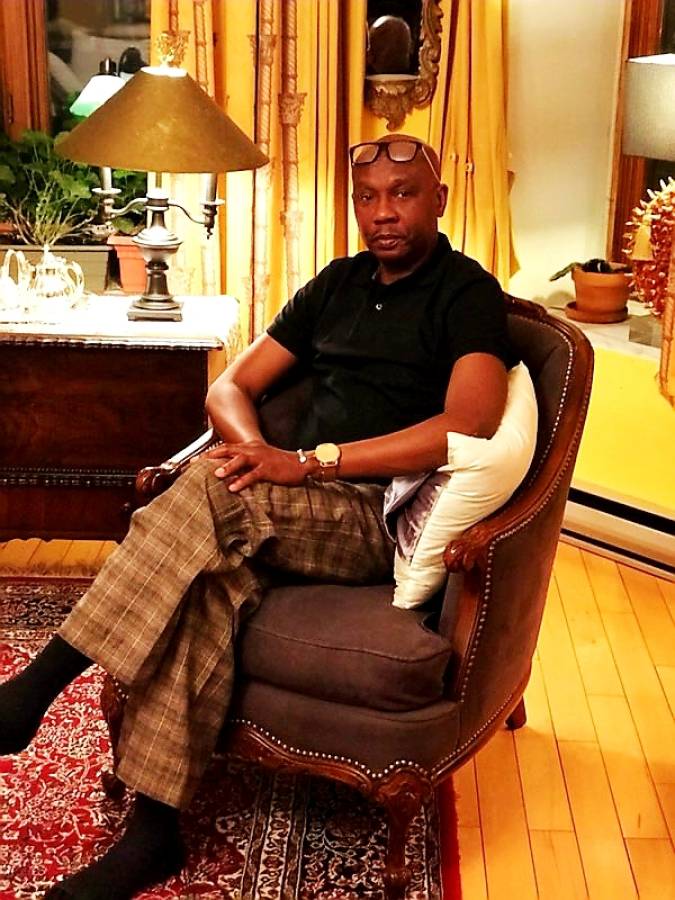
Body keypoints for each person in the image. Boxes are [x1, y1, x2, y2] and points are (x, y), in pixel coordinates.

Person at [0, 133, 518, 899]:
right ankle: (153, 834)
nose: (383, 212)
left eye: (403, 194)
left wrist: (309, 462)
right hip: (283, 503)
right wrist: (252, 452)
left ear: (438, 201)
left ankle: (35, 689)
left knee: (208, 490)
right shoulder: (337, 284)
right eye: (367, 197)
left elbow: (467, 423)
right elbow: (228, 389)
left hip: (370, 513)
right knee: (205, 581)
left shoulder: (464, 293)